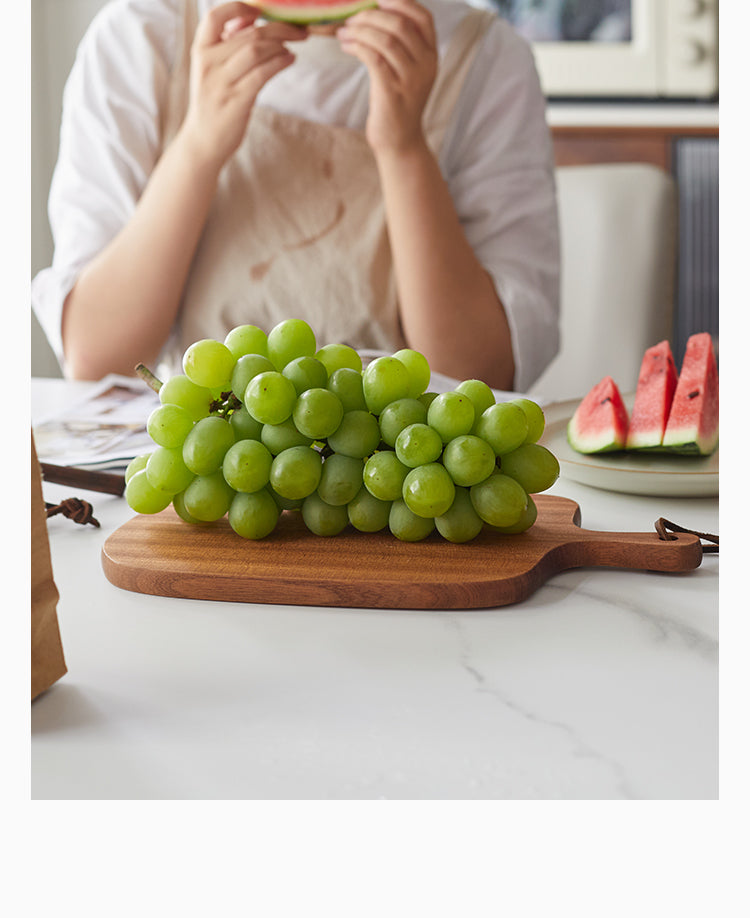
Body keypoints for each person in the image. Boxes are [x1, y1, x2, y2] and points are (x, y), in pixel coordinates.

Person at [31, 0, 560, 392]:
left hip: (400, 479)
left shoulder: (484, 57)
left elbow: (481, 376)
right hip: (202, 470)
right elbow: (96, 357)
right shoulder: (140, 37)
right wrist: (198, 146)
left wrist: (404, 148)